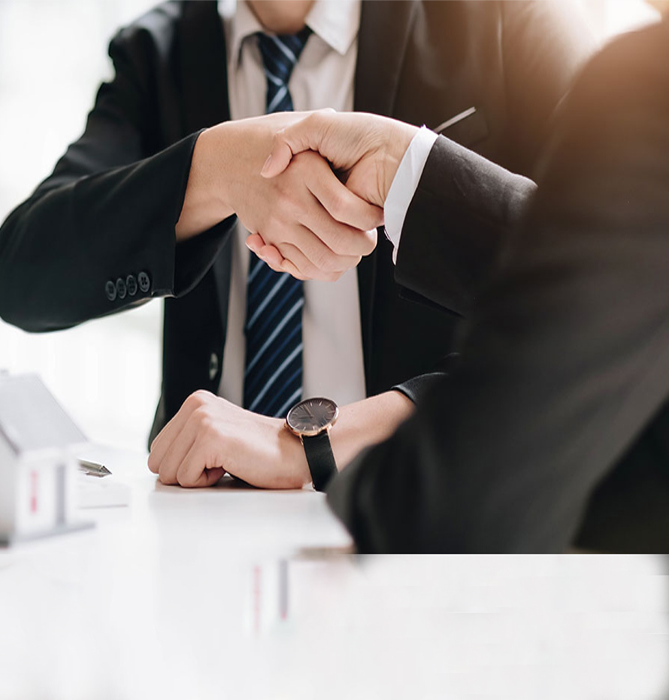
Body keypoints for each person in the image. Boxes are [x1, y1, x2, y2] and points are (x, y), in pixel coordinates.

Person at [148, 16, 669, 553]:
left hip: (399, 563)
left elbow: (590, 326)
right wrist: (211, 168)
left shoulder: (598, 61)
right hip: (194, 520)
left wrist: (313, 445)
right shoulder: (161, 45)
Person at [0, 0, 592, 454]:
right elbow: (24, 276)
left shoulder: (506, 21)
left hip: (432, 526)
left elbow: (621, 280)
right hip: (207, 527)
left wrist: (411, 165)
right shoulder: (159, 52)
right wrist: (211, 167)